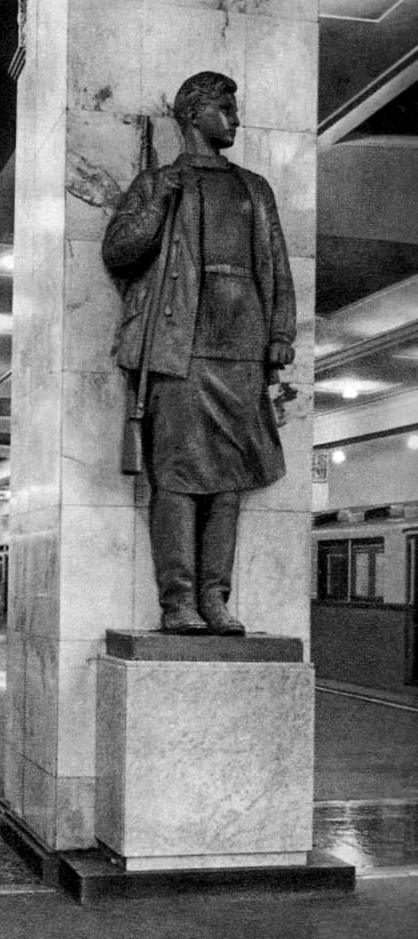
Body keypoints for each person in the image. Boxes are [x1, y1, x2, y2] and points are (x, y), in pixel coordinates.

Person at [102, 72, 296, 635]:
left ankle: (216, 598)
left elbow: (275, 264)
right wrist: (160, 197)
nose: (236, 119)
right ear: (194, 112)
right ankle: (178, 601)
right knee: (179, 478)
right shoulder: (159, 180)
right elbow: (120, 252)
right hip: (178, 345)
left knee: (230, 479)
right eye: (226, 108)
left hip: (240, 343)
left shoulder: (254, 187)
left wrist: (279, 331)